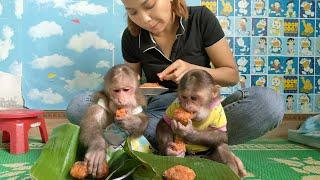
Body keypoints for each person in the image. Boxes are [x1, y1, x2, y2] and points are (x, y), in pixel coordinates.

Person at [66, 0, 284, 177]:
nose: (144, 19)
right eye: (132, 12)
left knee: (268, 104)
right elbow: (129, 90)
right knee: (80, 107)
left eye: (149, 5)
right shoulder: (132, 37)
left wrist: (194, 70)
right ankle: (199, 149)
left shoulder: (200, 19)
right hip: (159, 120)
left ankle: (208, 142)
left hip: (205, 117)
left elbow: (231, 74)